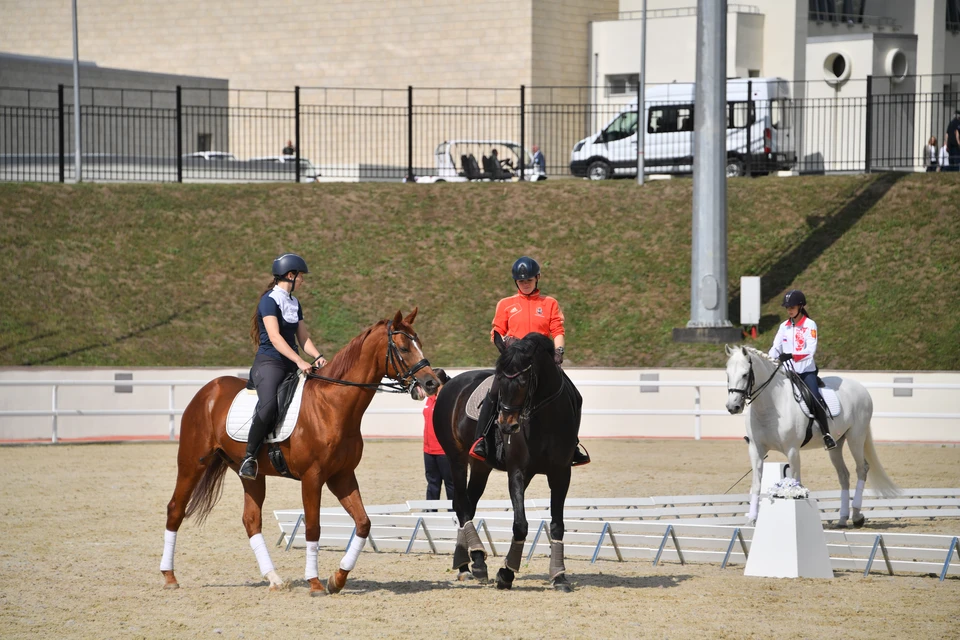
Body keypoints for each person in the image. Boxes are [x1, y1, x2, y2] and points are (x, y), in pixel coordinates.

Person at [470, 256, 590, 467]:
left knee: (575, 397)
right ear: (516, 282)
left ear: (537, 279)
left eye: (529, 280)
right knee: (494, 393)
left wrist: (559, 350)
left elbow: (557, 330)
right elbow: (497, 331)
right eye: (521, 281)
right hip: (515, 364)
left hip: (542, 364)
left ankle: (573, 445)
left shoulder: (549, 303)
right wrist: (505, 351)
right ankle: (481, 440)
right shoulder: (506, 304)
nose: (525, 284)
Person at [239, 253, 327, 479]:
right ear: (290, 275)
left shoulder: (294, 303)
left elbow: (303, 337)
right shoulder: (269, 300)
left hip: (291, 364)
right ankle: (249, 457)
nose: (303, 281)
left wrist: (318, 356)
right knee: (268, 406)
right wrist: (299, 361)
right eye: (301, 277)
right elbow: (275, 338)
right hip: (269, 363)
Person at [768, 289, 836, 450]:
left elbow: (810, 352)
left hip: (805, 372)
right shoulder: (783, 326)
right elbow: (775, 348)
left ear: (800, 306)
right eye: (787, 307)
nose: (789, 310)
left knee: (815, 398)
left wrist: (791, 355)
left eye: (792, 307)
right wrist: (769, 361)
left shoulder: (809, 325)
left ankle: (826, 434)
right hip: (787, 372)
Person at [422, 390, 454, 506]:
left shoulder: (448, 400)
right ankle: (430, 510)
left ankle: (454, 511)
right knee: (432, 483)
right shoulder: (429, 399)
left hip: (443, 450)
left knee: (450, 484)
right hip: (428, 450)